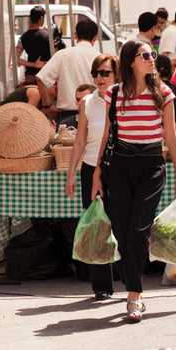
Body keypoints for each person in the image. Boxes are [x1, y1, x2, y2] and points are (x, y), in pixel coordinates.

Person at [91, 41, 176, 323]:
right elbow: (107, 135)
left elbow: (171, 137)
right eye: (145, 55)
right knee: (121, 230)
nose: (151, 59)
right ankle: (134, 289)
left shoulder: (163, 93)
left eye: (152, 55)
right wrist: (98, 172)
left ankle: (134, 294)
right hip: (119, 165)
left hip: (150, 165)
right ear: (131, 61)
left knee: (137, 230)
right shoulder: (114, 93)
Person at [65, 54, 119, 300]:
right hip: (89, 167)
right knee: (97, 225)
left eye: (105, 73)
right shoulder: (87, 102)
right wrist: (71, 174)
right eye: (96, 73)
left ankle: (129, 278)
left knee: (121, 222)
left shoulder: (124, 99)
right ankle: (102, 287)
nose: (100, 78)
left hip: (117, 167)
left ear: (116, 75)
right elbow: (80, 140)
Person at [37, 18, 99, 126]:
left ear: (75, 35)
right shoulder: (100, 58)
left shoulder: (62, 55)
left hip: (67, 116)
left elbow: (40, 78)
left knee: (65, 143)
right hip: (94, 115)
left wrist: (47, 105)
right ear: (95, 37)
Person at [17, 6, 51, 80]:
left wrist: (34, 64)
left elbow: (16, 59)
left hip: (30, 76)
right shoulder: (48, 36)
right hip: (46, 76)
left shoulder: (23, 37)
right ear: (41, 19)